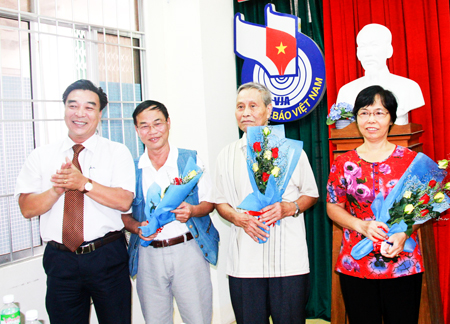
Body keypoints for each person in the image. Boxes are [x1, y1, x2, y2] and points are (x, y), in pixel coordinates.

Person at [15, 79, 135, 324]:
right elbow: (27, 208)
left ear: (99, 113)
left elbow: (124, 201)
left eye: (89, 107)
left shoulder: (117, 152)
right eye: (73, 105)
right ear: (64, 109)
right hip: (61, 260)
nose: (80, 113)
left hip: (106, 256)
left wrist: (83, 184)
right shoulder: (42, 155)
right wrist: (56, 190)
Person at [214, 82, 319, 324]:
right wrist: (237, 218)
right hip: (245, 264)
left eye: (253, 105)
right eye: (240, 107)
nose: (246, 112)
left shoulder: (292, 152)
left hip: (288, 262)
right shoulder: (226, 155)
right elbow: (220, 201)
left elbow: (311, 194)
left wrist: (289, 208)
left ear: (269, 110)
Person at [327, 85, 424, 324]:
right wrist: (360, 225)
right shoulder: (343, 162)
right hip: (356, 263)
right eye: (364, 112)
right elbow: (332, 206)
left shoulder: (411, 161)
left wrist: (405, 232)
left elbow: (423, 208)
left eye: (379, 113)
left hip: (402, 260)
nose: (371, 119)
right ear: (356, 118)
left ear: (391, 118)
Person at [122, 100, 219, 324]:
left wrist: (193, 210)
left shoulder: (189, 160)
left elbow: (209, 202)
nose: (152, 131)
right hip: (149, 256)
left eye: (157, 123)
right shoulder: (133, 168)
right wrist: (137, 228)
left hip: (189, 250)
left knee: (198, 318)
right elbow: (124, 215)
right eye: (144, 126)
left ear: (168, 123)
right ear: (137, 130)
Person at [336, 23, 424, 125]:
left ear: (389, 50)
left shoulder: (409, 87)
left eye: (374, 45)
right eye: (363, 47)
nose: (368, 53)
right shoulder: (346, 91)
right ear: (358, 53)